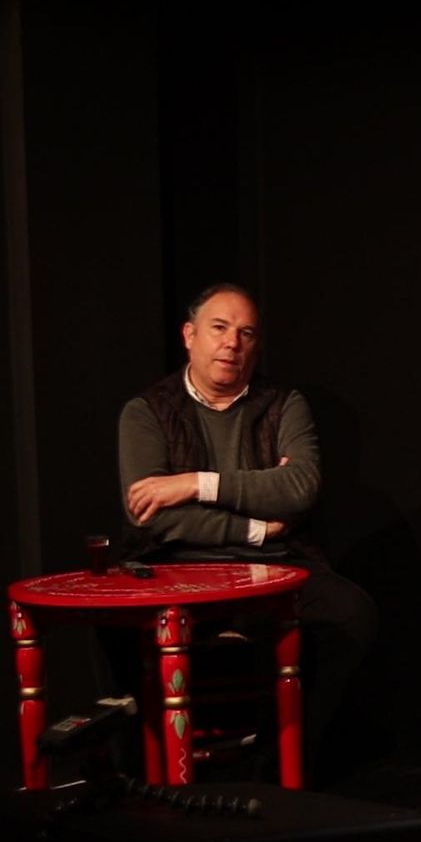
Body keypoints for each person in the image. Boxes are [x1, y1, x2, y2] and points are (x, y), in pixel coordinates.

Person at [117, 283, 378, 784]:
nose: (232, 342)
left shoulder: (284, 405)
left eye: (246, 333)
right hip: (179, 565)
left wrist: (195, 483)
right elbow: (152, 515)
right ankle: (148, 777)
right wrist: (255, 524)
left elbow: (299, 488)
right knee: (120, 633)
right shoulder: (146, 412)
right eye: (219, 328)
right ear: (189, 336)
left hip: (277, 566)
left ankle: (279, 766)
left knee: (352, 616)